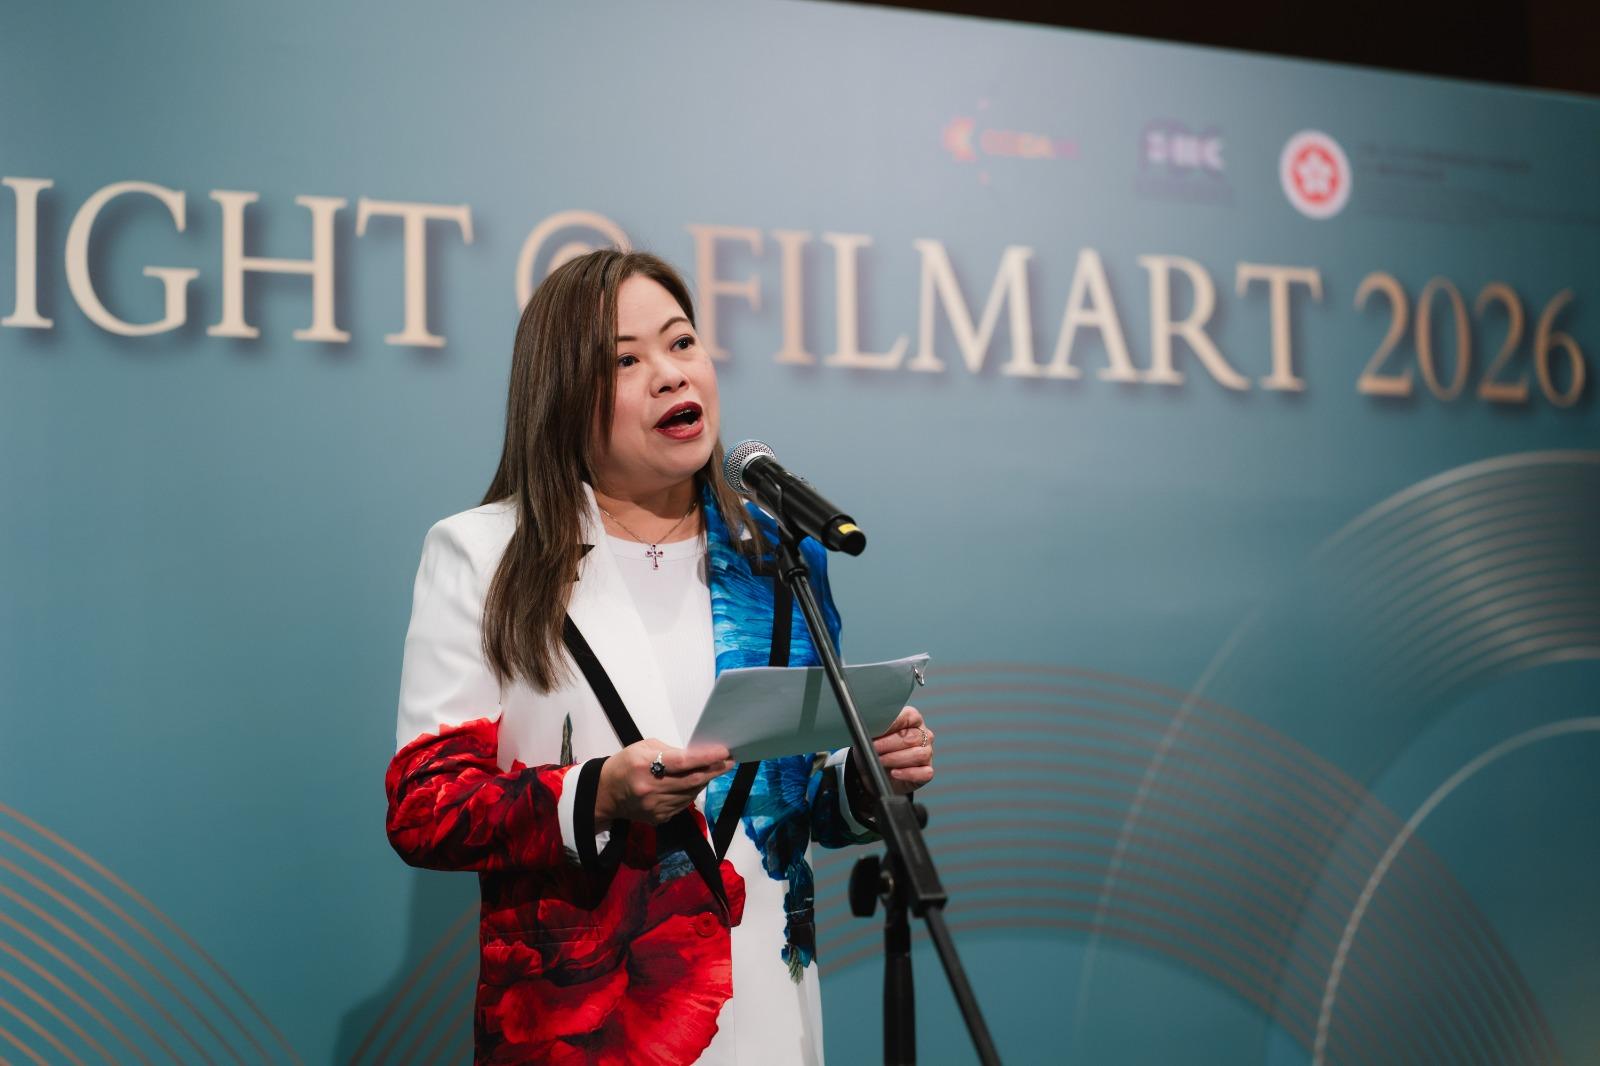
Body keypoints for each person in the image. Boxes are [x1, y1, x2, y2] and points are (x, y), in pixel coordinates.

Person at [385, 248, 935, 1065]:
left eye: (682, 343)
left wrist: (864, 781)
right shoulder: (486, 554)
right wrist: (596, 794)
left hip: (770, 1020)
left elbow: (786, 811)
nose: (672, 374)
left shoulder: (778, 557)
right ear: (562, 394)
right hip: (588, 1026)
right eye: (626, 361)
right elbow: (425, 806)